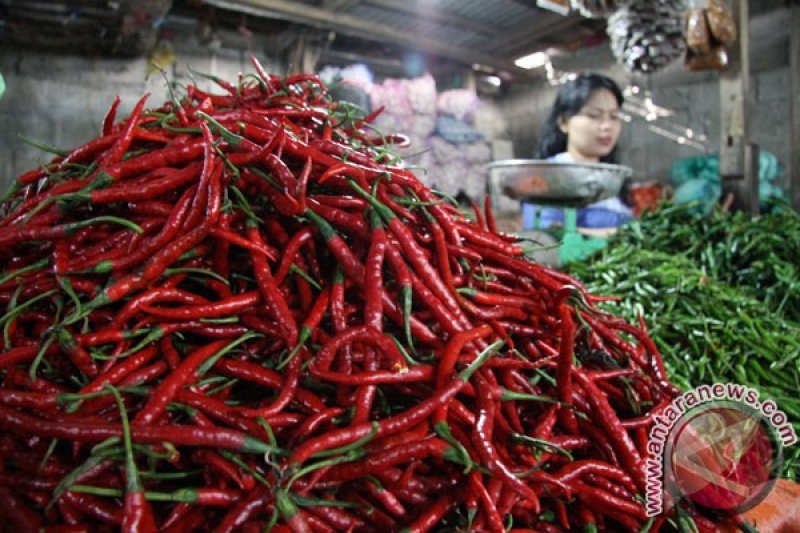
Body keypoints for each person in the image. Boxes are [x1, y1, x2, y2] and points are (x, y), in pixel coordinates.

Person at [509, 72, 634, 230]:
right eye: (594, 115)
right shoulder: (546, 176)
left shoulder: (612, 177)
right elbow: (547, 233)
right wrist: (620, 235)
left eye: (614, 116)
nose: (607, 126)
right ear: (563, 122)